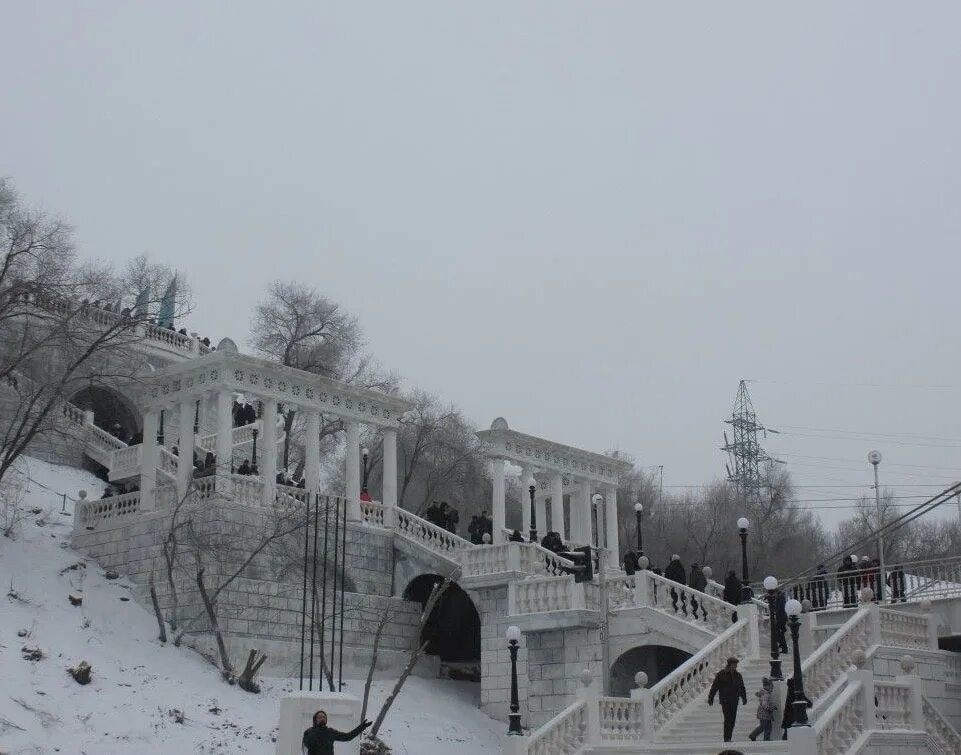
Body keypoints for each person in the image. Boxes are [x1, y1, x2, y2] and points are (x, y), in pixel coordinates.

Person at [708, 656, 747, 742]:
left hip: (734, 700)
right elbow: (715, 687)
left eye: (736, 664)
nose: (736, 666)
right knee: (728, 718)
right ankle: (726, 737)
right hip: (725, 700)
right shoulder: (721, 674)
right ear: (730, 664)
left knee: (733, 719)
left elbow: (742, 687)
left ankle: (729, 737)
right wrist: (711, 698)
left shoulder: (738, 675)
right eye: (734, 664)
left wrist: (744, 698)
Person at [302, 710, 371, 755]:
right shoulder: (309, 732)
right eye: (319, 717)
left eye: (324, 717)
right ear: (315, 720)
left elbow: (347, 737)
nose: (322, 718)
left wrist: (361, 727)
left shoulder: (330, 732)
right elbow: (306, 746)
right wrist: (317, 731)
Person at [748, 677, 777, 741]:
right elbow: (764, 704)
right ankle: (753, 735)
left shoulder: (765, 694)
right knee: (764, 726)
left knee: (767, 726)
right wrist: (771, 708)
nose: (772, 689)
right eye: (771, 687)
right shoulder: (766, 695)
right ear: (768, 686)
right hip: (764, 714)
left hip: (764, 714)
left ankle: (766, 738)